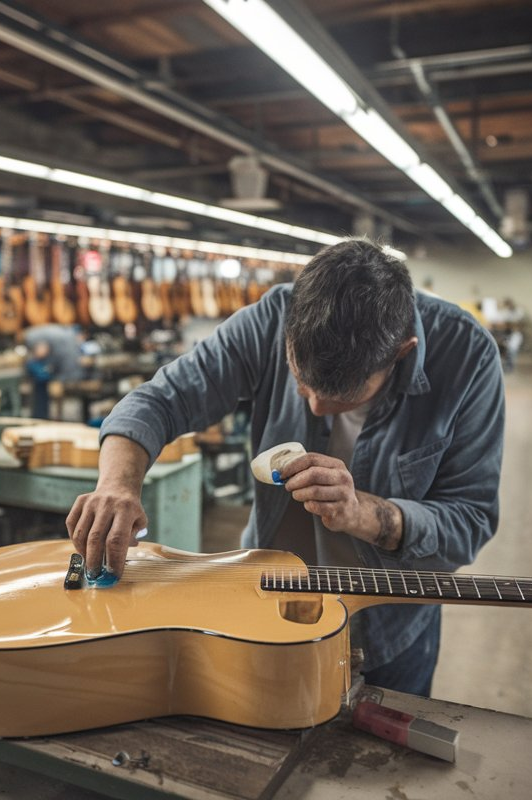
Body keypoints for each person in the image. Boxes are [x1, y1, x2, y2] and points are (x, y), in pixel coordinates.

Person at [66, 238, 505, 696]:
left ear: (400, 353)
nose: (314, 408)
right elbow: (160, 400)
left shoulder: (467, 357)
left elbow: (469, 521)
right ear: (289, 328)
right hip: (261, 604)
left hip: (387, 628)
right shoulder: (272, 316)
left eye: (340, 398)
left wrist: (366, 515)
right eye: (301, 381)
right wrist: (117, 483)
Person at [22, 323, 87, 419]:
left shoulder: (32, 337)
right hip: (72, 369)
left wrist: (31, 364)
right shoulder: (57, 333)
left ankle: (41, 417)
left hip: (65, 369)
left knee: (40, 381)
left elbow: (41, 352)